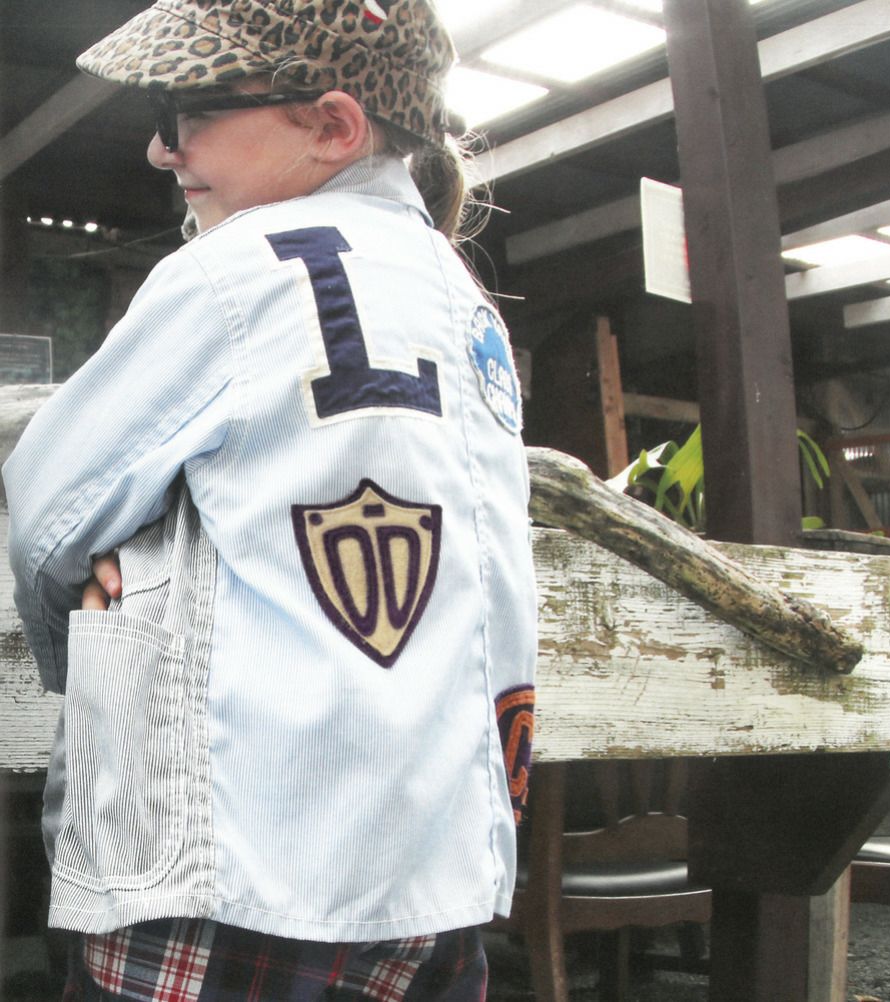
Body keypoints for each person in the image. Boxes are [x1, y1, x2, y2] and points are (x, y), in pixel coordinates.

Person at [3, 2, 537, 999]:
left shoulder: (237, 269)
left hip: (240, 859)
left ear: (334, 126)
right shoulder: (464, 301)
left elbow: (50, 512)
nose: (164, 148)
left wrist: (76, 645)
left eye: (191, 108)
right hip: (441, 861)